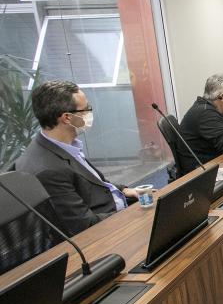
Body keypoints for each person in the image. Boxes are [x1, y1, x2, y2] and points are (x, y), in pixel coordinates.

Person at [15, 80, 141, 235]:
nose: (89, 113)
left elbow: (90, 181)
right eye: (86, 109)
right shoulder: (48, 169)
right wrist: (136, 214)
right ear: (67, 118)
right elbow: (84, 226)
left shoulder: (62, 146)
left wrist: (124, 190)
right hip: (105, 233)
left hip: (115, 212)